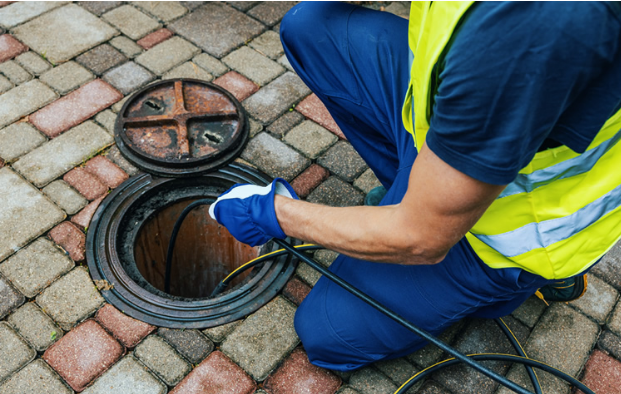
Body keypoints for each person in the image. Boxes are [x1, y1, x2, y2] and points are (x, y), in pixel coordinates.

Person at [209, 1, 621, 371]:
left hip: (506, 232)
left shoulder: (532, 26)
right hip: (453, 121)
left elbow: (420, 238)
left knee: (328, 334)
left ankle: (513, 288)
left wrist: (274, 212)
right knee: (311, 26)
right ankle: (421, 195)